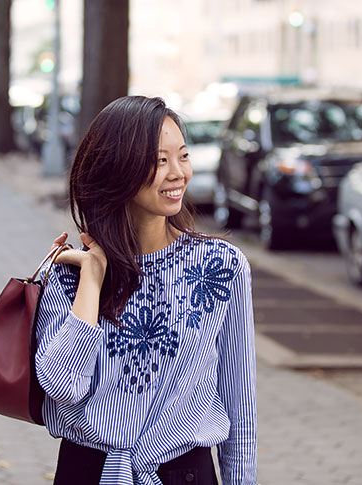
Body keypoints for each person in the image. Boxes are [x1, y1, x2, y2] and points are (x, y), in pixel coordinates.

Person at [35, 96, 257, 484]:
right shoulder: (71, 274)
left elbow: (241, 413)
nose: (178, 174)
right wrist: (93, 274)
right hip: (89, 472)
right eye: (159, 161)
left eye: (183, 156)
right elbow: (62, 385)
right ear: (117, 168)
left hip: (183, 473)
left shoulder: (221, 267)